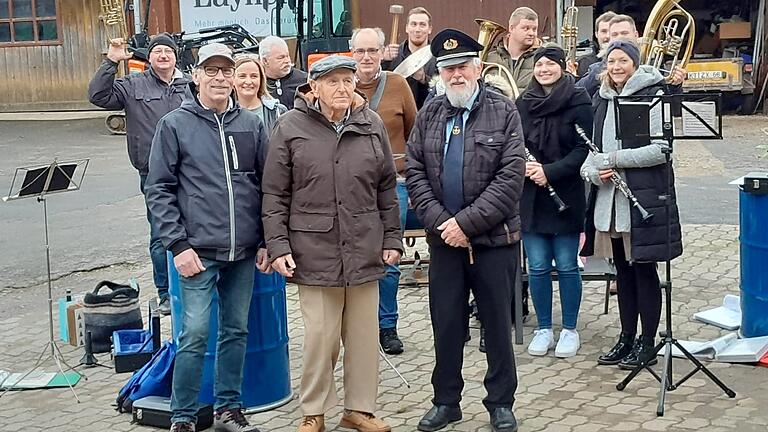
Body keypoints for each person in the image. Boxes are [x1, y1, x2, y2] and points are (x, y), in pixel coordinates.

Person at [262, 55, 403, 432]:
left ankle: (359, 409)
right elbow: (274, 194)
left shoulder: (370, 124)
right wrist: (278, 246)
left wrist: (393, 238)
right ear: (314, 87)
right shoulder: (290, 127)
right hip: (314, 249)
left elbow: (387, 189)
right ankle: (315, 410)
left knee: (362, 336)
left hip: (364, 245)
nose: (342, 89)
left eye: (347, 81)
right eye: (332, 82)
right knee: (321, 339)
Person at [145, 43, 268, 432]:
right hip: (197, 252)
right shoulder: (175, 125)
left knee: (237, 331)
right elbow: (159, 189)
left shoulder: (251, 124)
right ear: (195, 76)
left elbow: (267, 187)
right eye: (211, 71)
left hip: (244, 252)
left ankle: (227, 409)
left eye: (226, 71)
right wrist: (177, 245)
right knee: (194, 334)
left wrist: (267, 240)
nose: (220, 78)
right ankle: (182, 417)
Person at [408, 29, 524, 432]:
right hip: (445, 243)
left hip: (494, 242)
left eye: (462, 67)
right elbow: (415, 172)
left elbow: (510, 181)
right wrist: (444, 225)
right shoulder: (430, 112)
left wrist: (465, 224)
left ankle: (500, 402)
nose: (456, 75)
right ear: (439, 74)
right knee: (446, 324)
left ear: (477, 68)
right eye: (447, 69)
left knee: (496, 325)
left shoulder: (503, 110)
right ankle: (446, 401)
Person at [580, 39, 682, 371]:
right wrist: (596, 173)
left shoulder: (651, 96)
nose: (617, 66)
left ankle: (648, 341)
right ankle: (626, 337)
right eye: (611, 61)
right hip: (609, 203)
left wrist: (614, 159)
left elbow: (662, 149)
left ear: (635, 64)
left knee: (644, 271)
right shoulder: (601, 100)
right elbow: (589, 159)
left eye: (623, 60)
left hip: (641, 200)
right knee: (621, 272)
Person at [88, 33, 192, 316]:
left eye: (168, 51)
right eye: (157, 51)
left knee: (196, 230)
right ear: (149, 57)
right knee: (161, 235)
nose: (163, 56)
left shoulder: (189, 87)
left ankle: (192, 285)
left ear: (175, 56)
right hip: (154, 174)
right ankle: (165, 293)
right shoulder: (133, 85)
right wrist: (111, 61)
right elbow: (98, 96)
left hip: (192, 172)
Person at [515, 45, 592, 358]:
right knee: (536, 267)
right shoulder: (524, 101)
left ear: (563, 66)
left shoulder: (578, 100)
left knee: (566, 265)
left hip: (566, 192)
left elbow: (583, 148)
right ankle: (544, 328)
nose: (544, 69)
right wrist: (525, 167)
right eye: (539, 64)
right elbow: (513, 141)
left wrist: (550, 172)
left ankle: (570, 329)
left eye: (550, 64)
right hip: (531, 193)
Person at [351, 27, 417, 355]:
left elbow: (414, 133)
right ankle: (359, 325)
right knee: (358, 257)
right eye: (360, 51)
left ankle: (387, 326)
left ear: (382, 52)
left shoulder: (398, 84)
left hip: (395, 186)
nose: (366, 57)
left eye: (372, 51)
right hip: (351, 189)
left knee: (389, 256)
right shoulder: (340, 86)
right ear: (352, 53)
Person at [577, 14, 686, 97]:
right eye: (615, 34)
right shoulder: (597, 68)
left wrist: (675, 85)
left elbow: (673, 107)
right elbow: (578, 92)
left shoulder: (653, 65)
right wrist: (606, 67)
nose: (620, 37)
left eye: (624, 33)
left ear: (636, 35)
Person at [382, 6, 438, 108]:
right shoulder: (393, 55)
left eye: (422, 25)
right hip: (398, 114)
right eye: (413, 24)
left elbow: (441, 90)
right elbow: (380, 84)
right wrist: (384, 61)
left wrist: (423, 79)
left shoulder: (437, 57)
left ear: (429, 29)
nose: (417, 29)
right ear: (407, 28)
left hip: (428, 114)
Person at [485, 7, 542, 91]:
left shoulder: (542, 58)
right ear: (511, 28)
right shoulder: (489, 58)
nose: (531, 33)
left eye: (534, 29)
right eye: (526, 28)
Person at [233, 56, 287, 131]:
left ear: (261, 80)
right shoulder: (224, 114)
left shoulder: (278, 111)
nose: (248, 82)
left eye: (254, 76)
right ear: (232, 80)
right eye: (242, 76)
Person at [259, 35, 308, 109]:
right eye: (280, 58)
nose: (287, 61)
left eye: (287, 56)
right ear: (265, 61)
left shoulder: (305, 80)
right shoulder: (256, 83)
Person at [576, 11, 616, 78]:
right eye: (604, 31)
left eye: (612, 31)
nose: (608, 36)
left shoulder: (630, 61)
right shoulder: (583, 63)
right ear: (596, 34)